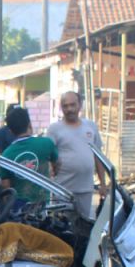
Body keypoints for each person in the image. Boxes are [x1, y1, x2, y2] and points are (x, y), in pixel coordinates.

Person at [47, 91, 107, 223]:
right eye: (65, 106)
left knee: (83, 226)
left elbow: (98, 157)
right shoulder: (54, 129)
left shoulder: (90, 126)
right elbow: (48, 155)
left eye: (72, 105)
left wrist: (103, 184)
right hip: (62, 189)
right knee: (61, 227)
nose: (69, 109)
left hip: (85, 188)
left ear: (80, 105)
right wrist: (51, 168)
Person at [0, 106, 58, 205]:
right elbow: (57, 166)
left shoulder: (6, 155)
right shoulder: (47, 143)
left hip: (18, 210)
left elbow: (6, 187)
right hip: (43, 206)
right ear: (29, 124)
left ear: (11, 131)